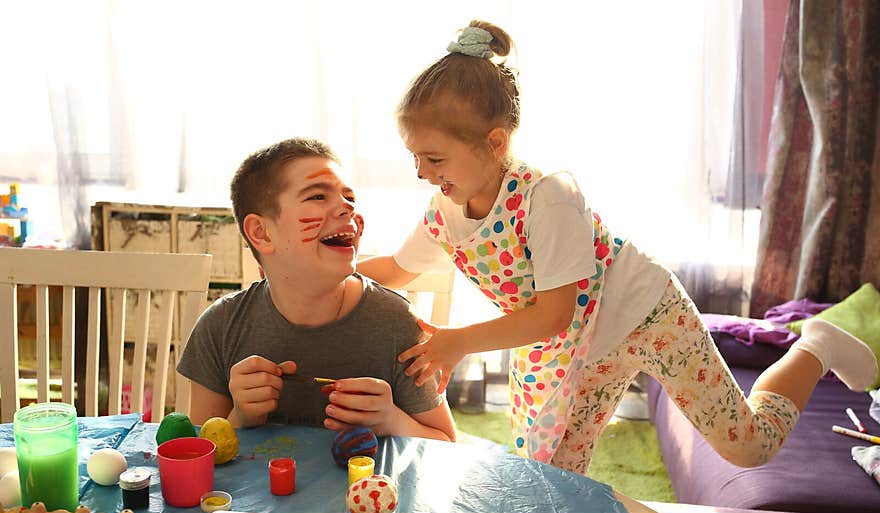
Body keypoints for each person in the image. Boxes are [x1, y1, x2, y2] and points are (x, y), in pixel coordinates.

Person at [358, 20, 878, 474]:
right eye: (415, 158)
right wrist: (319, 267)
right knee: (550, 475)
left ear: (494, 144)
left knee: (750, 447)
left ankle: (816, 344)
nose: (423, 173)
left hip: (645, 314)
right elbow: (397, 269)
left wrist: (457, 340)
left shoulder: (550, 198)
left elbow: (552, 314)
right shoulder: (444, 216)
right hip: (576, 349)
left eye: (435, 159)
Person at [179, 137, 456, 443]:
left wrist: (391, 419)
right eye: (318, 197)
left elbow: (445, 443)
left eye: (349, 197)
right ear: (261, 232)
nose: (346, 208)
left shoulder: (397, 326)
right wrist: (241, 418)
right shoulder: (220, 328)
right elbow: (199, 453)